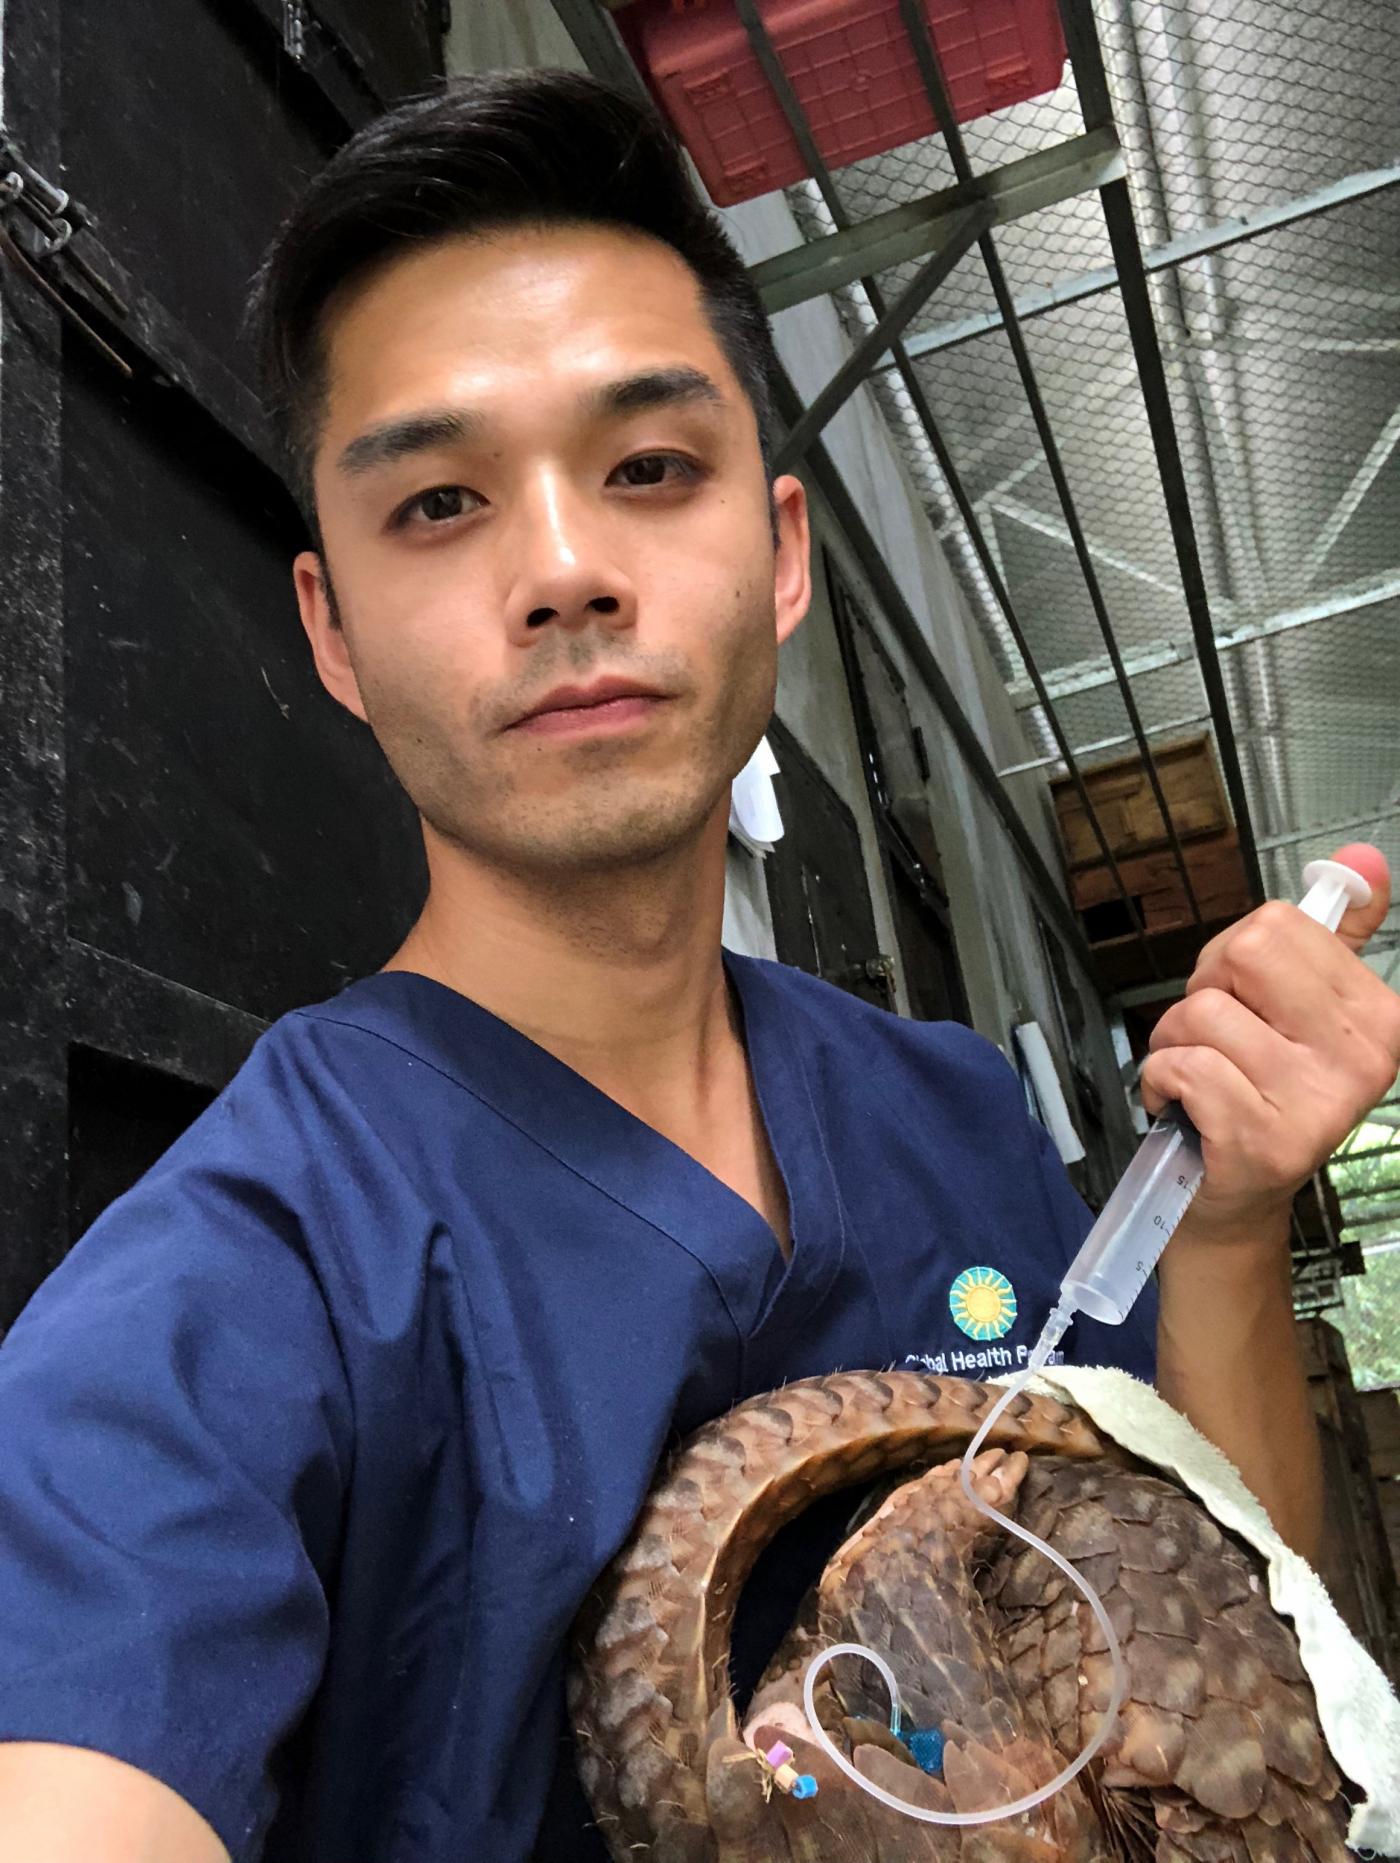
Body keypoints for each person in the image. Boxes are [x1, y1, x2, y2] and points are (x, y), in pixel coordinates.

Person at [0, 68, 1396, 1863]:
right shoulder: (239, 1287)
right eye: (438, 503)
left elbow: (1228, 1674)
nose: (566, 568)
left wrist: (1222, 1230)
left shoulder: (952, 1112)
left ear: (785, 551)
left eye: (650, 468)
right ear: (331, 631)